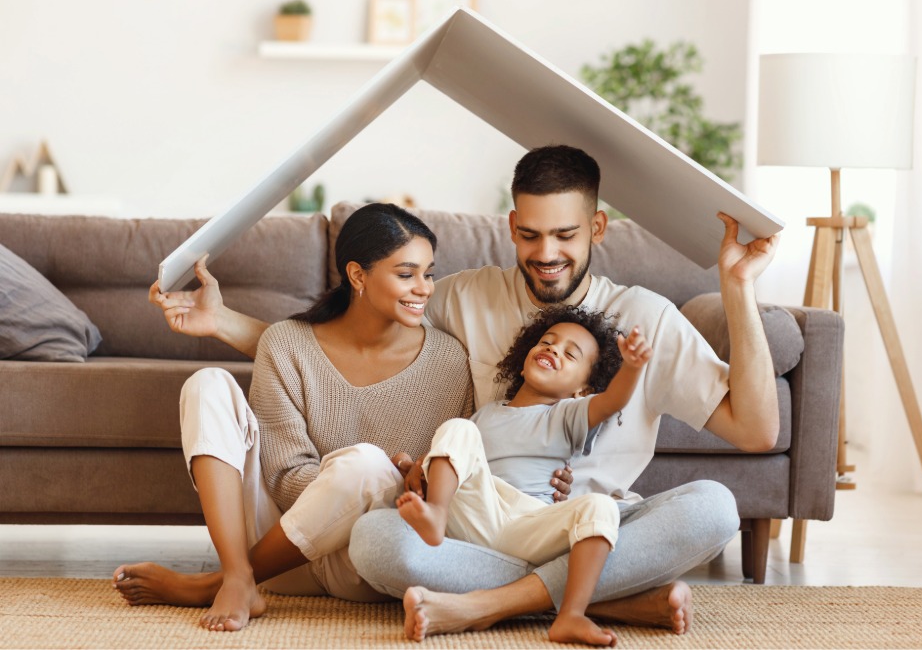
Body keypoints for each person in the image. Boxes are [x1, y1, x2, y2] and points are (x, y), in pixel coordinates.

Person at [144, 145, 780, 638]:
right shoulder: (464, 296)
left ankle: (491, 606)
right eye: (530, 234)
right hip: (479, 530)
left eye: (565, 235)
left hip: (595, 527)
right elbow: (344, 338)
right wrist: (222, 323)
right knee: (375, 541)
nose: (547, 252)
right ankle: (599, 598)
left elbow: (756, 432)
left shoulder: (645, 317)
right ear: (511, 225)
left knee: (713, 509)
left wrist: (737, 287)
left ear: (599, 228)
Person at [112, 203, 473, 632]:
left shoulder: (449, 360)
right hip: (282, 548)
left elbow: (449, 474)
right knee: (207, 383)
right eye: (406, 274)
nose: (424, 288)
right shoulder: (286, 343)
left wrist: (402, 478)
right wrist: (341, 483)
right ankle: (237, 572)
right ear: (358, 275)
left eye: (429, 273)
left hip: (365, 557)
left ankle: (219, 583)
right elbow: (283, 478)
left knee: (365, 465)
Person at [395, 305, 651, 645]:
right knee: (457, 427)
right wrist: (412, 466)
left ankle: (571, 615)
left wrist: (632, 368)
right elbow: (452, 455)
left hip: (527, 522)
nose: (553, 349)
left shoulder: (566, 415)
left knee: (600, 507)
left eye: (570, 354)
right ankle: (436, 515)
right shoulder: (485, 414)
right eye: (547, 341)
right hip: (475, 513)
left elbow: (613, 401)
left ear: (583, 390)